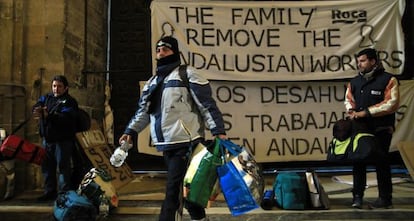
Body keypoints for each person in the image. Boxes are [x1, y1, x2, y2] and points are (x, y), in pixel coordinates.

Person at [113, 36, 227, 221]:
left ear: (175, 52)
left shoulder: (187, 74)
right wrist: (130, 132)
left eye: (166, 49)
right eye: (158, 49)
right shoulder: (152, 82)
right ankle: (199, 216)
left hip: (187, 141)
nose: (161, 52)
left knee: (173, 190)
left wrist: (218, 131)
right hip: (166, 144)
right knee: (187, 189)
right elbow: (143, 112)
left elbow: (207, 105)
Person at [344, 48, 400, 209]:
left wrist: (366, 113)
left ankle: (385, 198)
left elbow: (391, 103)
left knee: (381, 163)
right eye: (358, 61)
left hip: (381, 129)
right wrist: (352, 111)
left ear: (373, 61)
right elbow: (348, 100)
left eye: (362, 61)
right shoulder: (354, 82)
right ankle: (357, 197)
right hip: (360, 129)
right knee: (358, 162)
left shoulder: (389, 80)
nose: (359, 64)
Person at [33, 75, 79, 201]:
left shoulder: (70, 102)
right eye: (54, 86)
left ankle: (64, 195)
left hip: (62, 141)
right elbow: (38, 104)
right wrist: (37, 110)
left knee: (63, 168)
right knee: (47, 168)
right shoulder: (46, 98)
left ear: (65, 88)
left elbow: (66, 119)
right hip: (47, 140)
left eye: (59, 86)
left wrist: (49, 116)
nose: (56, 89)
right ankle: (50, 192)